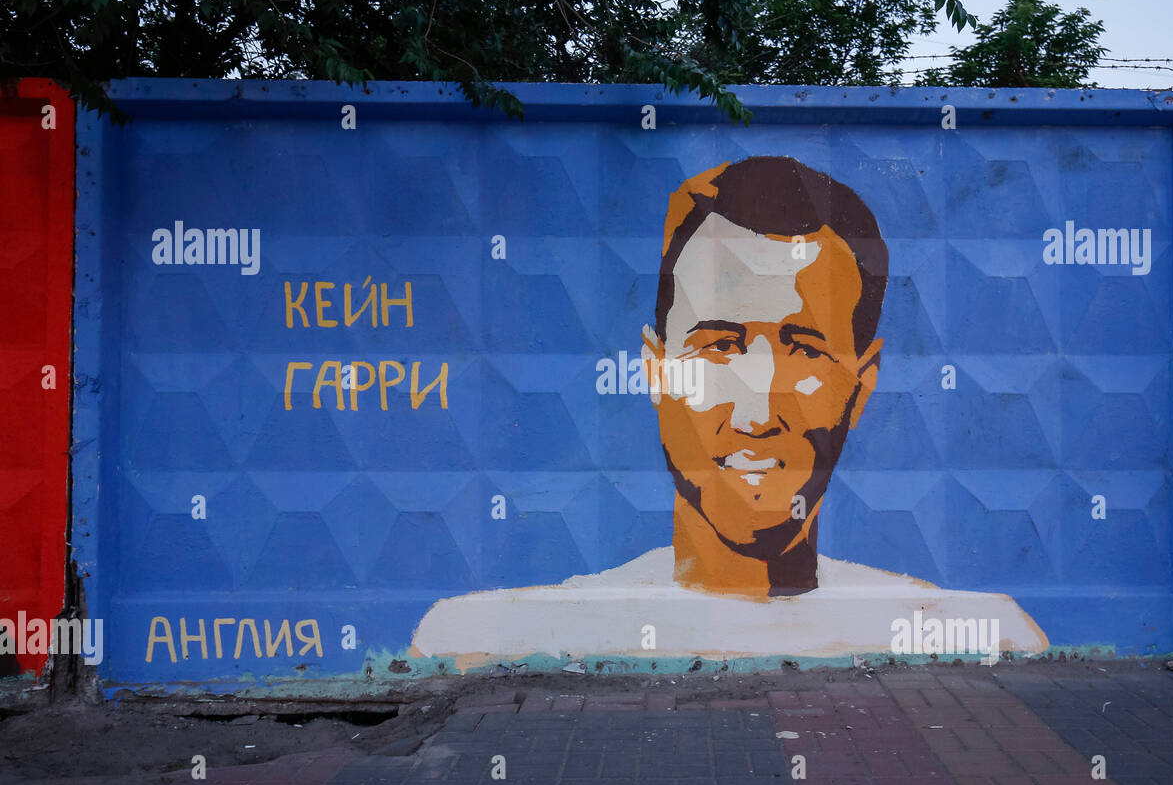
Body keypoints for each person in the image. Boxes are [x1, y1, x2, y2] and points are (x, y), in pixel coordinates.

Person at [409, 156, 1048, 666]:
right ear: (655, 371)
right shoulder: (471, 639)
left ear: (861, 385)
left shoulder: (990, 633)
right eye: (719, 345)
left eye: (805, 349)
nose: (757, 404)